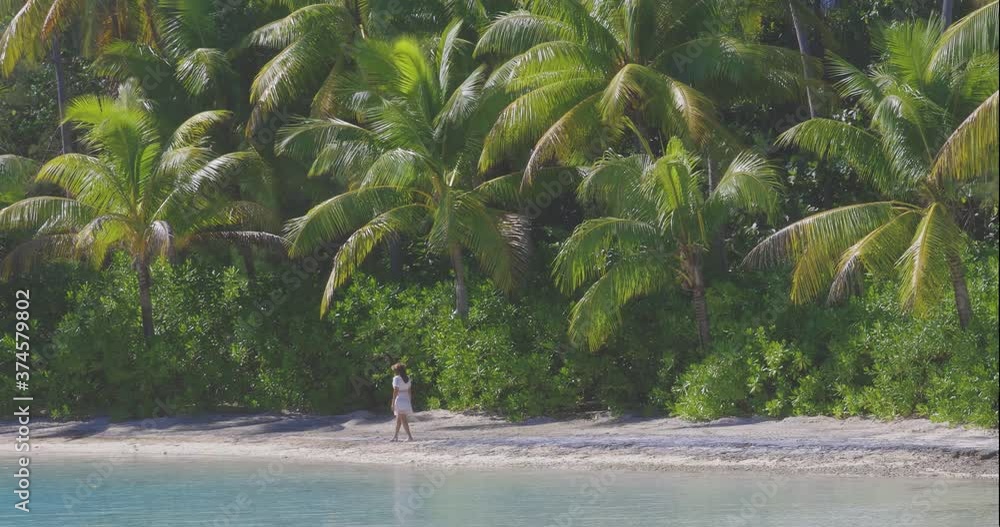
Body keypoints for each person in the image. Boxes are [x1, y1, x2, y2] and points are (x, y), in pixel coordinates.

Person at [390, 362, 414, 442]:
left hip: (399, 399)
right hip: (406, 399)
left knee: (403, 419)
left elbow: (395, 391)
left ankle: (410, 437)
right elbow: (409, 391)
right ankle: (395, 436)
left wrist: (393, 402)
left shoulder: (396, 378)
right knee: (399, 419)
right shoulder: (408, 378)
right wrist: (409, 401)